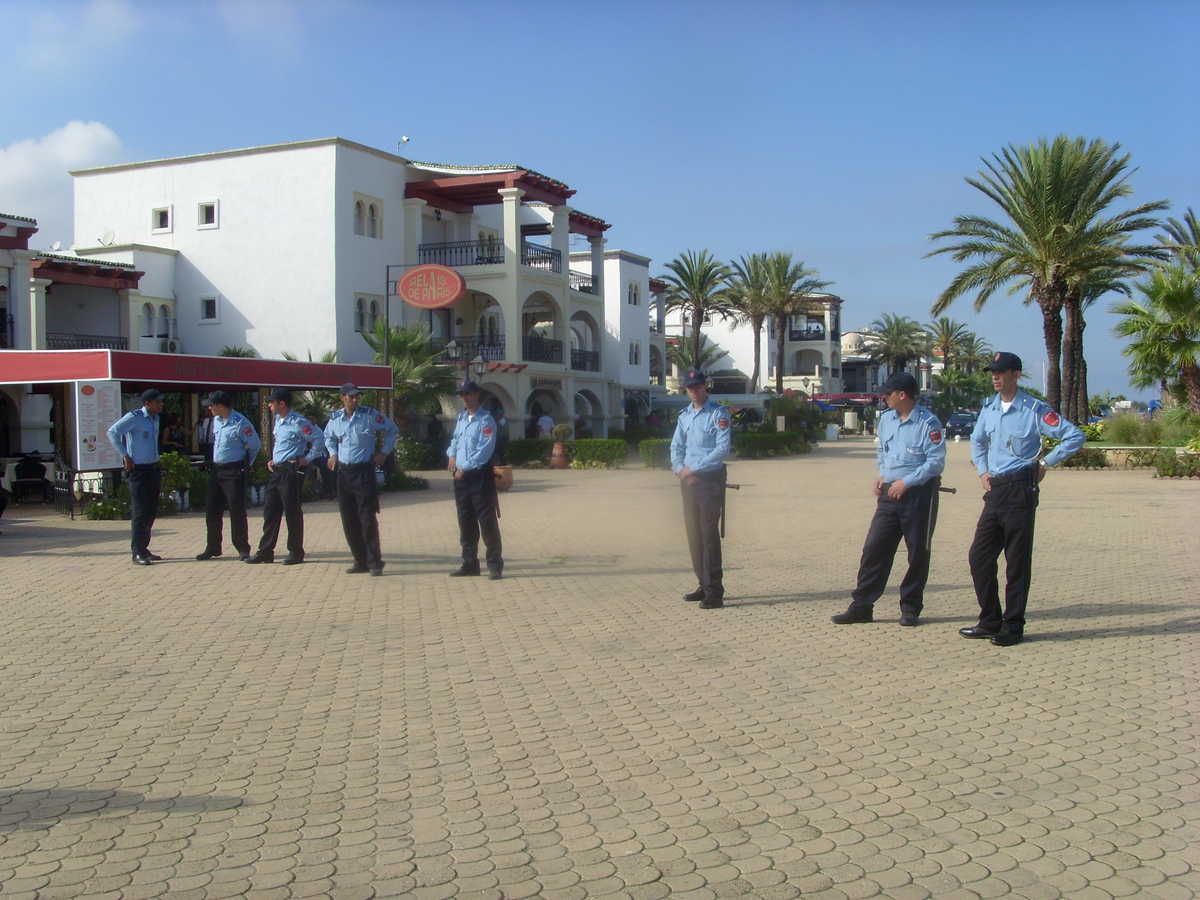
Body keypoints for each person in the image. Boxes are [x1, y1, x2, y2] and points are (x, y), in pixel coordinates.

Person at [960, 352, 1084, 646]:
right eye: (993, 371)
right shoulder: (988, 408)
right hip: (995, 489)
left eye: (1001, 372)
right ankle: (989, 620)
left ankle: (1013, 625)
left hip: (1020, 488)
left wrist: (1045, 463)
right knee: (979, 556)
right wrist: (982, 471)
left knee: (1016, 562)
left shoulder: (1033, 409)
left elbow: (1073, 436)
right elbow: (977, 441)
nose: (995, 376)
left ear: (1016, 374)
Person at [832, 372, 946, 627]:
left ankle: (910, 607)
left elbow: (935, 461)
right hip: (888, 495)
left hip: (918, 495)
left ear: (902, 395)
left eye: (888, 393)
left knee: (917, 552)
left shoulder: (928, 423)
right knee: (874, 549)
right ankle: (862, 605)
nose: (884, 398)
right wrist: (882, 476)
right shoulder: (885, 420)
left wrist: (907, 482)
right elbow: (882, 450)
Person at [670, 369, 732, 609]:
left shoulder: (718, 413)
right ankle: (702, 583)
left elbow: (722, 449)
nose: (694, 391)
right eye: (690, 388)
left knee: (708, 535)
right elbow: (676, 446)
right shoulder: (684, 416)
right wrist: (678, 468)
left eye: (697, 386)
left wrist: (692, 468)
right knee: (693, 534)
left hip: (709, 481)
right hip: (688, 481)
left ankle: (715, 591)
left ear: (705, 386)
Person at [324, 383, 398, 576]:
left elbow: (391, 429)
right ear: (342, 398)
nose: (355, 400)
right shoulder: (335, 419)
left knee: (367, 518)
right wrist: (332, 453)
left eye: (357, 396)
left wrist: (384, 453)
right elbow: (328, 437)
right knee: (348, 519)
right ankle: (360, 560)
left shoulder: (370, 415)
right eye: (351, 397)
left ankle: (374, 562)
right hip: (343, 473)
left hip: (363, 472)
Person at [247, 388, 325, 566]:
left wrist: (307, 459)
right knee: (270, 511)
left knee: (292, 511)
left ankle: (296, 552)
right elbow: (282, 444)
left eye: (271, 402)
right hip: (277, 470)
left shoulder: (298, 422)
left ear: (282, 403)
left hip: (291, 470)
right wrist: (274, 460)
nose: (269, 405)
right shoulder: (278, 420)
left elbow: (319, 438)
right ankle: (266, 551)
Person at [446, 381, 503, 579]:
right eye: (462, 395)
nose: (465, 398)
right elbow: (455, 440)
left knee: (486, 521)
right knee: (465, 521)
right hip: (460, 478)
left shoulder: (486, 420)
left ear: (477, 395)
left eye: (468, 394)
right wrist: (452, 456)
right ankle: (469, 563)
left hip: (478, 477)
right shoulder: (461, 418)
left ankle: (495, 564)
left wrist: (464, 468)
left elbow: (484, 451)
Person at [195, 391, 261, 562]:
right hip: (217, 470)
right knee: (212, 510)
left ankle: (242, 548)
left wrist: (247, 465)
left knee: (236, 510)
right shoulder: (216, 421)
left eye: (211, 405)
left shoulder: (240, 422)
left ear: (220, 406)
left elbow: (254, 445)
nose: (209, 408)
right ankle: (213, 547)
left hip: (234, 470)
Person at [107, 388, 165, 565]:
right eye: (158, 402)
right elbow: (112, 432)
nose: (161, 405)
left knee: (151, 510)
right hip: (138, 469)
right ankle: (137, 552)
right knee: (140, 511)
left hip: (153, 468)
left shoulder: (156, 418)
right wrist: (124, 454)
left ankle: (144, 548)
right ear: (148, 403)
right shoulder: (135, 417)